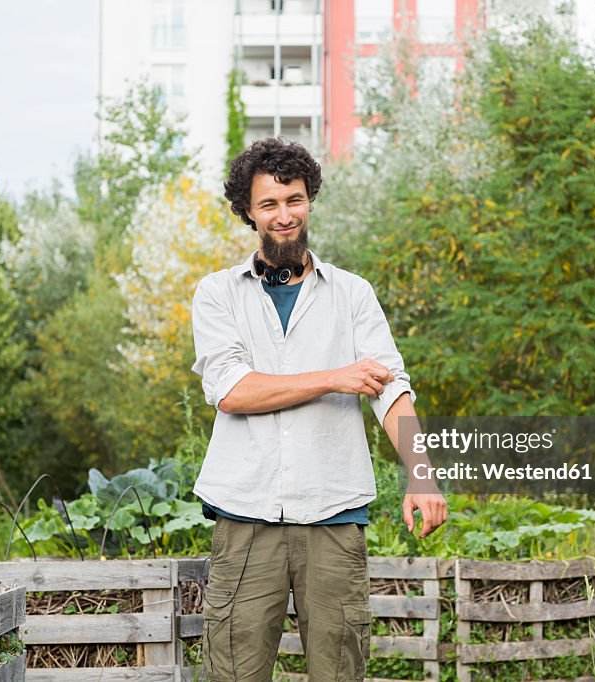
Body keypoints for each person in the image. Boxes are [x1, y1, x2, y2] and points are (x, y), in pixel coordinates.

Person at [191, 137, 447, 681]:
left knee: (340, 671)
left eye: (295, 200)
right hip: (245, 514)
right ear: (248, 212)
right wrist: (335, 376)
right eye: (269, 204)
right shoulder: (218, 294)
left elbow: (390, 388)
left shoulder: (352, 294)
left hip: (334, 513)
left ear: (309, 200)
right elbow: (233, 390)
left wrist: (422, 476)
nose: (285, 216)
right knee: (233, 672)